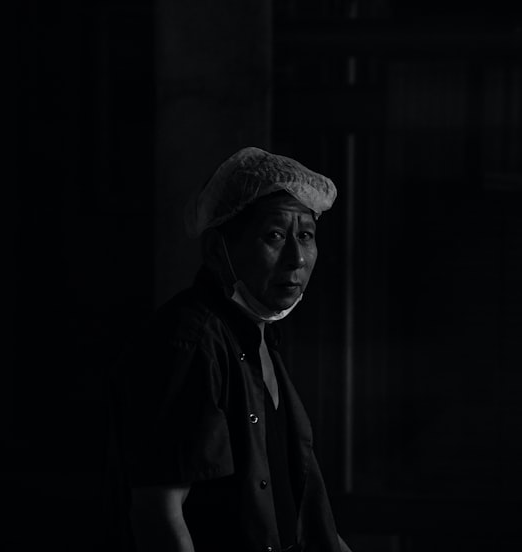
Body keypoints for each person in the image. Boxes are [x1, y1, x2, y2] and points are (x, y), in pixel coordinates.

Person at [114, 147, 352, 552]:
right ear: (215, 250)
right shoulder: (191, 341)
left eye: (306, 236)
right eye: (274, 235)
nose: (296, 258)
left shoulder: (257, 335)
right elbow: (159, 514)